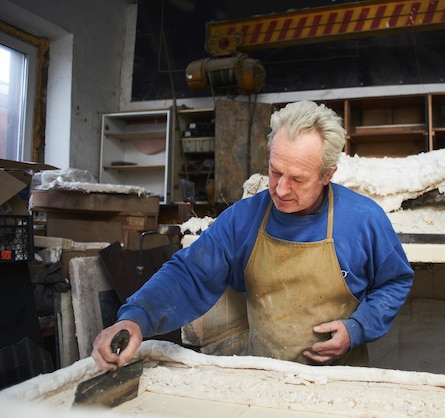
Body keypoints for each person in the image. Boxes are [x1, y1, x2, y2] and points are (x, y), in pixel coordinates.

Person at [92, 100, 414, 370]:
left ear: (327, 175)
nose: (281, 189)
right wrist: (135, 318)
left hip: (340, 381)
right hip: (265, 375)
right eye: (275, 171)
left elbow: (394, 281)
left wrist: (356, 328)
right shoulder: (243, 219)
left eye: (298, 179)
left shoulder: (363, 220)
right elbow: (189, 274)